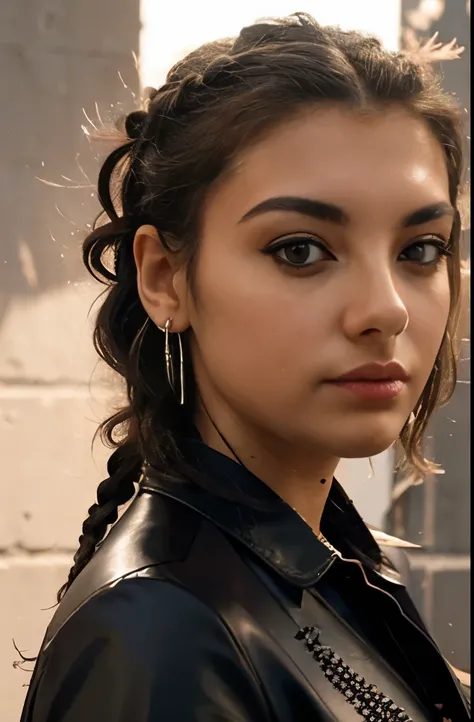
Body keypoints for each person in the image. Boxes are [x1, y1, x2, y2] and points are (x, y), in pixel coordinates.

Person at [20, 13, 470, 722]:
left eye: (420, 249)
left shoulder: (335, 563)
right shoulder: (157, 635)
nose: (385, 310)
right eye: (300, 250)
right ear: (165, 277)